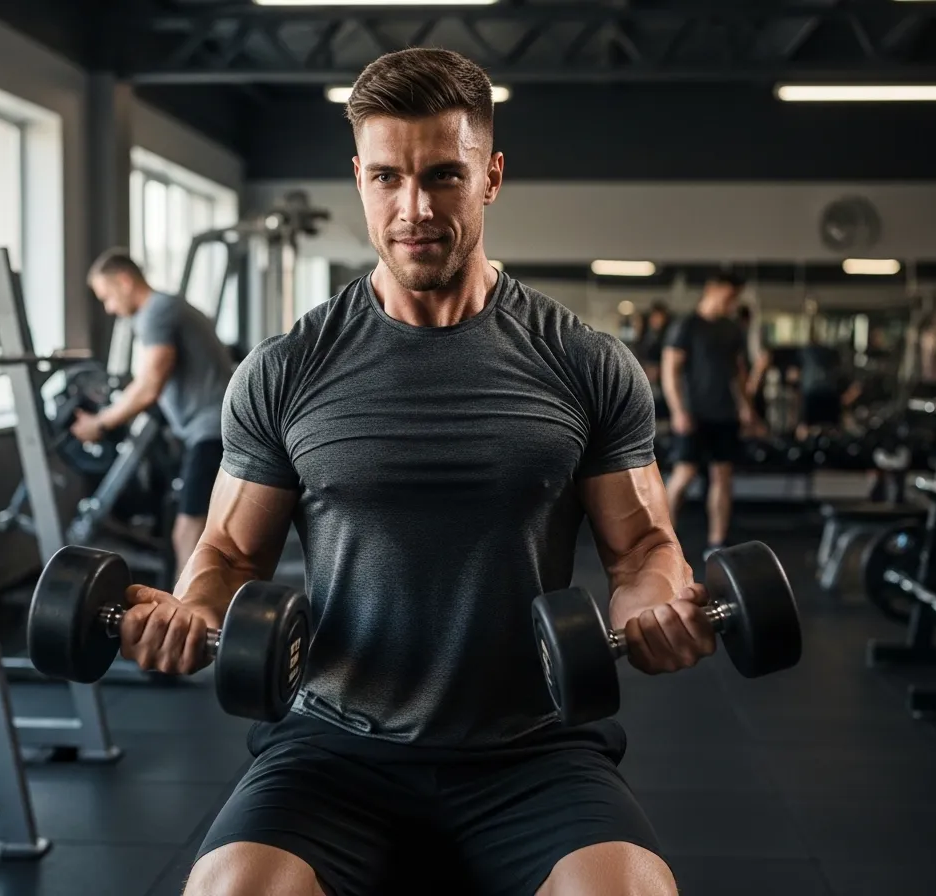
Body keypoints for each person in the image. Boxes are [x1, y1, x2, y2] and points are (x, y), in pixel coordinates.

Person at [120, 48, 714, 896]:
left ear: (492, 176)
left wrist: (657, 608)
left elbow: (642, 549)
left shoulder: (586, 363)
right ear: (358, 178)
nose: (415, 208)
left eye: (444, 175)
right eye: (388, 178)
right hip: (333, 744)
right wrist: (187, 614)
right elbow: (228, 555)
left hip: (531, 747)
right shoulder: (286, 368)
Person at [75, 251, 234, 579]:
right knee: (198, 530)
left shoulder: (156, 312)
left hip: (210, 432)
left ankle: (187, 620)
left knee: (189, 531)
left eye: (107, 297)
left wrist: (100, 422)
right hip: (210, 428)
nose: (108, 308)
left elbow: (149, 385)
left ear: (123, 281)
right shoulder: (167, 307)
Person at [661, 274, 758, 558]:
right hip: (693, 414)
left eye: (735, 298)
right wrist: (678, 410)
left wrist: (746, 407)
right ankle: (660, 540)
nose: (731, 302)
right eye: (728, 296)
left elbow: (738, 373)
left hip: (724, 413)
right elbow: (671, 371)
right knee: (684, 474)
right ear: (711, 290)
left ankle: (717, 542)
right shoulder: (687, 326)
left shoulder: (731, 329)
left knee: (722, 475)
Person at [635, 300, 672, 423]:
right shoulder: (645, 336)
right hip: (646, 380)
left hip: (662, 381)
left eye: (660, 317)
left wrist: (660, 369)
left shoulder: (669, 337)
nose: (657, 320)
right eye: (654, 317)